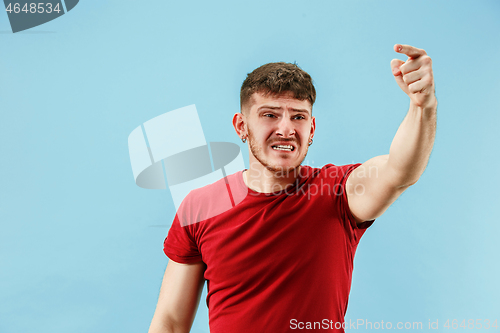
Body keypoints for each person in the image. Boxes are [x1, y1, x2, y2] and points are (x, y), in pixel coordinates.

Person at [148, 44, 437, 333]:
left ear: (311, 129)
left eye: (298, 117)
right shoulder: (200, 205)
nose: (286, 129)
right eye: (270, 115)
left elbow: (400, 170)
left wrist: (422, 105)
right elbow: (170, 323)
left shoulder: (337, 193)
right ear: (241, 126)